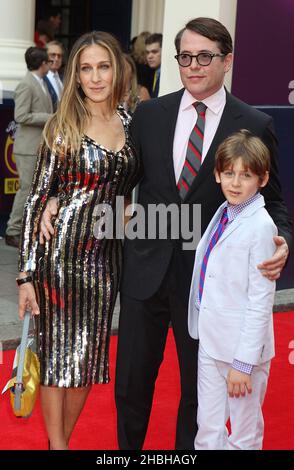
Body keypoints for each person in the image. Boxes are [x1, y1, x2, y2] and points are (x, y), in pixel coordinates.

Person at [39, 18, 292, 450]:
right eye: (186, 57)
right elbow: (115, 177)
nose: (194, 66)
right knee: (131, 386)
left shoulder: (253, 121)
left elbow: (275, 200)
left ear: (227, 61)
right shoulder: (149, 114)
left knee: (199, 390)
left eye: (205, 56)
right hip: (143, 271)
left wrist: (283, 239)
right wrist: (61, 197)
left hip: (206, 282)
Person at [17, 31, 141, 450]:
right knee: (55, 356)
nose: (95, 77)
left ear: (117, 69)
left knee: (87, 360)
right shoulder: (62, 125)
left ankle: (62, 441)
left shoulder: (131, 123)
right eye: (85, 68)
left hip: (106, 262)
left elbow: (136, 188)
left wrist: (131, 215)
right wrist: (27, 275)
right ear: (75, 74)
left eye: (102, 66)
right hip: (58, 257)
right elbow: (36, 199)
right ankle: (58, 446)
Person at [188, 129, 277, 450]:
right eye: (229, 173)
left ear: (263, 179)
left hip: (243, 353)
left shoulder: (262, 226)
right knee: (208, 431)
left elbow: (260, 302)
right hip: (211, 343)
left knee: (243, 435)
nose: (235, 183)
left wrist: (243, 364)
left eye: (246, 175)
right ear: (217, 174)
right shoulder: (224, 212)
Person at [5, 47, 52, 248]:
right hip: (27, 147)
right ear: (43, 64)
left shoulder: (39, 83)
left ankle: (25, 227)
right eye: (48, 62)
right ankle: (12, 230)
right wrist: (50, 118)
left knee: (34, 189)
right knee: (26, 189)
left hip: (38, 145)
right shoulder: (26, 84)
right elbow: (20, 116)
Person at [44, 41, 64, 111]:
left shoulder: (65, 79)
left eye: (59, 56)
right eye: (53, 55)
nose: (56, 59)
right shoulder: (41, 79)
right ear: (45, 56)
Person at [145, 33, 162, 98]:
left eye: (154, 52)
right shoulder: (149, 73)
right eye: (147, 52)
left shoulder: (166, 74)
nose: (149, 56)